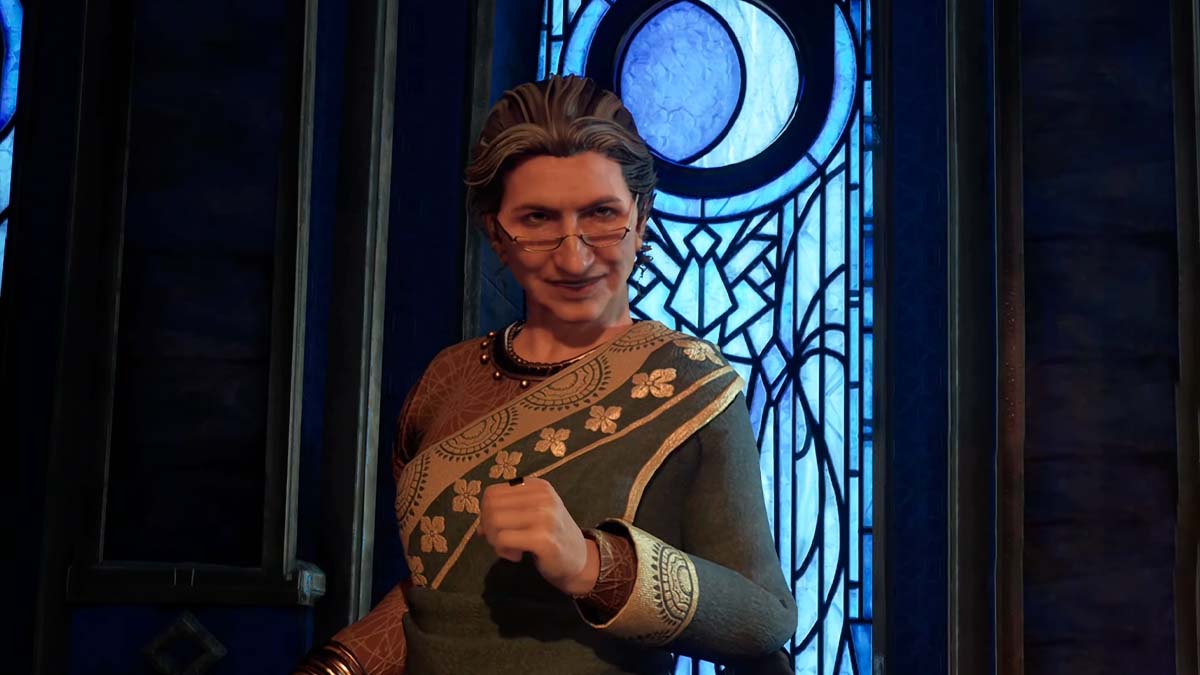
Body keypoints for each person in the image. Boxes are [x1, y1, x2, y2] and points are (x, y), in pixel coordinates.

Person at [295, 75, 796, 675]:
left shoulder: (689, 383)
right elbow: (437, 595)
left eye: (602, 214)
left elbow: (765, 617)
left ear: (641, 218)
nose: (574, 257)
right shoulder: (447, 379)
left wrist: (591, 565)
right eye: (537, 219)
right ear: (496, 234)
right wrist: (338, 666)